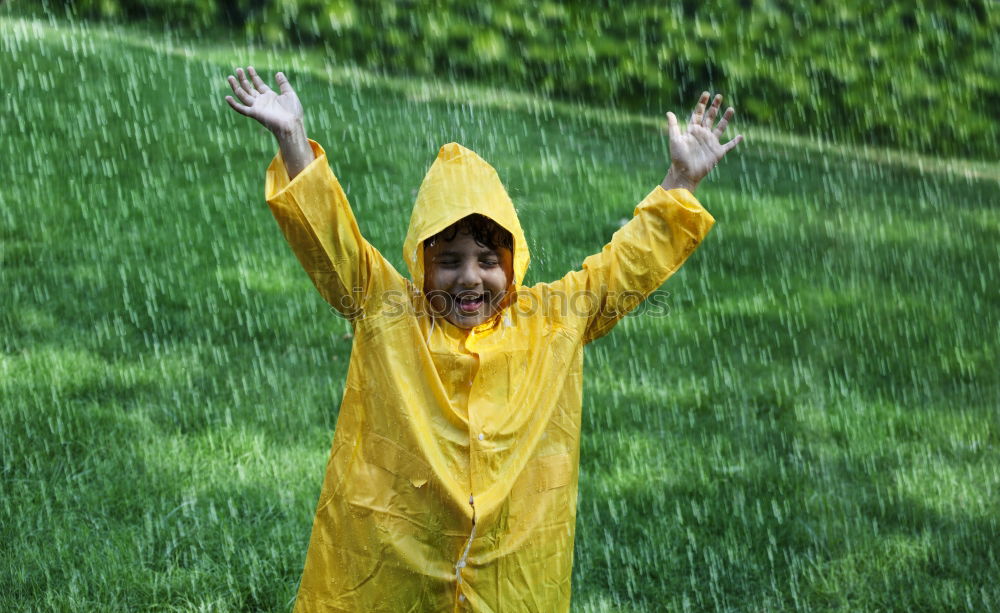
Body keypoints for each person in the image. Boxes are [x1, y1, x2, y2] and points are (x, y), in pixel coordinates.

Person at [225, 65, 742, 612]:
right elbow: (329, 239)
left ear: (512, 262)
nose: (469, 278)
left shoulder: (552, 321)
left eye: (487, 261)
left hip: (509, 579)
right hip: (394, 571)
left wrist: (681, 182)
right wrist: (291, 139)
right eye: (448, 261)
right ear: (420, 265)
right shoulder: (387, 309)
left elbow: (625, 266)